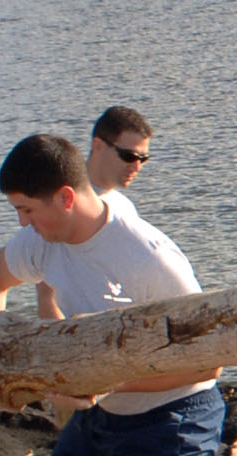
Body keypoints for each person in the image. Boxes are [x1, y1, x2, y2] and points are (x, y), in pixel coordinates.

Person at [0, 133, 226, 456]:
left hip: (172, 420)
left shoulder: (148, 257)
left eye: (27, 210)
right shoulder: (41, 243)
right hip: (98, 419)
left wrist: (97, 383)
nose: (24, 224)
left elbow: (207, 362)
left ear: (65, 197)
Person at [41, 108, 153, 324]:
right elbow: (46, 295)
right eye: (129, 156)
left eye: (143, 158)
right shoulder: (64, 204)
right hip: (80, 339)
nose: (137, 166)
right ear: (98, 145)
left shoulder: (124, 206)